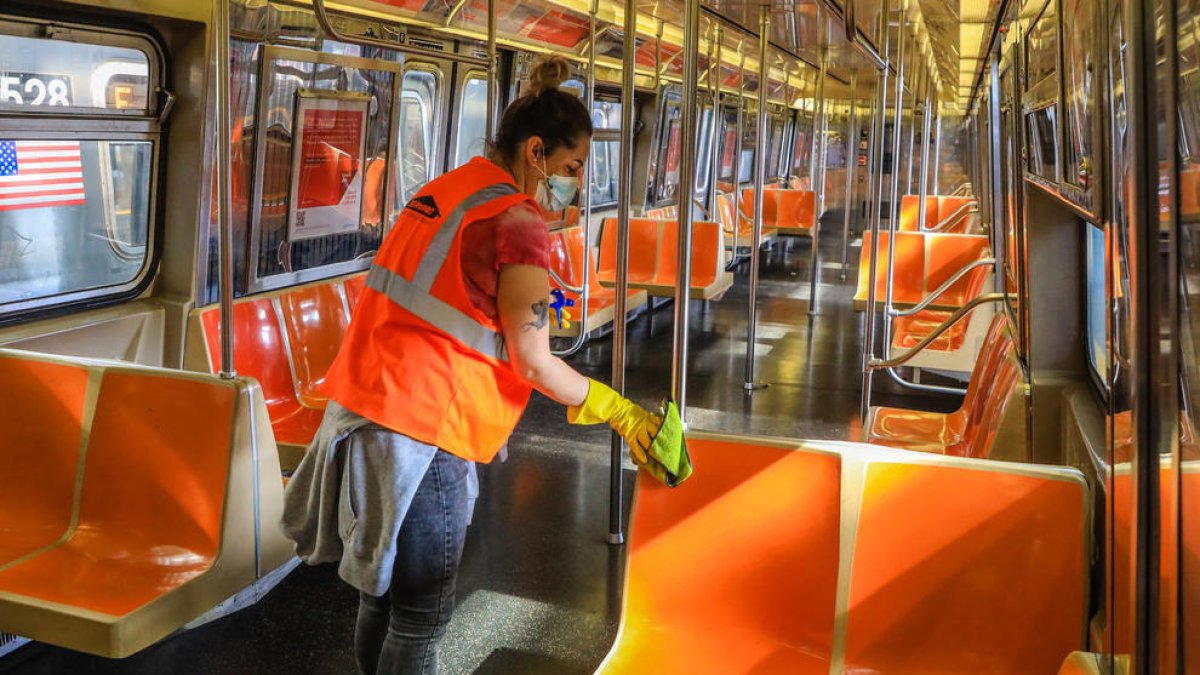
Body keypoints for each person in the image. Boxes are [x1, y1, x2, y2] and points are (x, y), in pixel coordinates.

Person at [280, 55, 665, 675]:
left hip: (366, 407)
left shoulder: (444, 191)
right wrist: (618, 412)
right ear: (535, 151)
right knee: (423, 614)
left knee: (383, 597)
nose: (574, 182)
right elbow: (535, 362)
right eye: (571, 167)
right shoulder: (519, 220)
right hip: (427, 422)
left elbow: (451, 290)